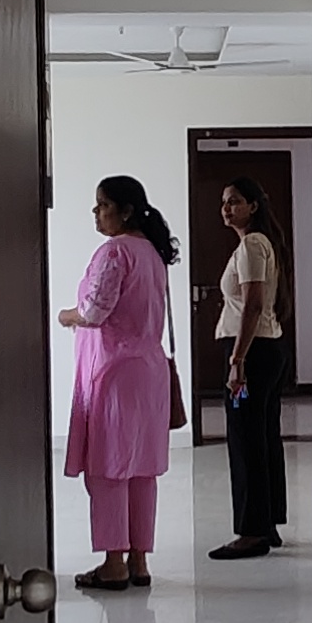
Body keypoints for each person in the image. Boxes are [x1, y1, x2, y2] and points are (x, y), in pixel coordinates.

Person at [58, 176, 177, 591]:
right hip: (149, 371)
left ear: (125, 211)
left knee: (108, 469)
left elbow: (94, 312)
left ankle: (113, 563)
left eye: (102, 205)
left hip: (114, 373)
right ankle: (138, 559)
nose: (96, 213)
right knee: (142, 469)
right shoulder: (152, 253)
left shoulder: (115, 252)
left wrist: (66, 315)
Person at [209, 173, 291, 562]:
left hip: (252, 355)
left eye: (235, 201)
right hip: (263, 350)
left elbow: (253, 304)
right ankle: (266, 523)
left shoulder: (252, 246)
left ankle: (252, 531)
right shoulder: (256, 244)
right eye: (225, 202)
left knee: (245, 439)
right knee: (261, 437)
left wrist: (237, 361)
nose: (227, 208)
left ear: (253, 206)